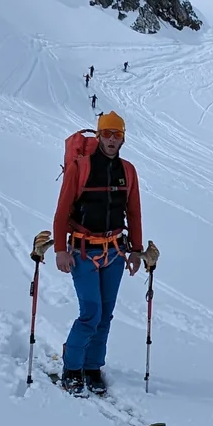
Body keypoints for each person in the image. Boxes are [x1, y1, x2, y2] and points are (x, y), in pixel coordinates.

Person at [53, 111, 143, 395]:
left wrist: (137, 250)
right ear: (99, 135)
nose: (112, 140)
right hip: (83, 251)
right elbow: (62, 212)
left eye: (117, 134)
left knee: (105, 315)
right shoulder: (79, 168)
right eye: (106, 134)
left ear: (123, 138)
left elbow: (134, 213)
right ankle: (72, 368)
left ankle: (92, 367)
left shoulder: (128, 171)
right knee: (91, 312)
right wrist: (60, 250)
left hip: (115, 252)